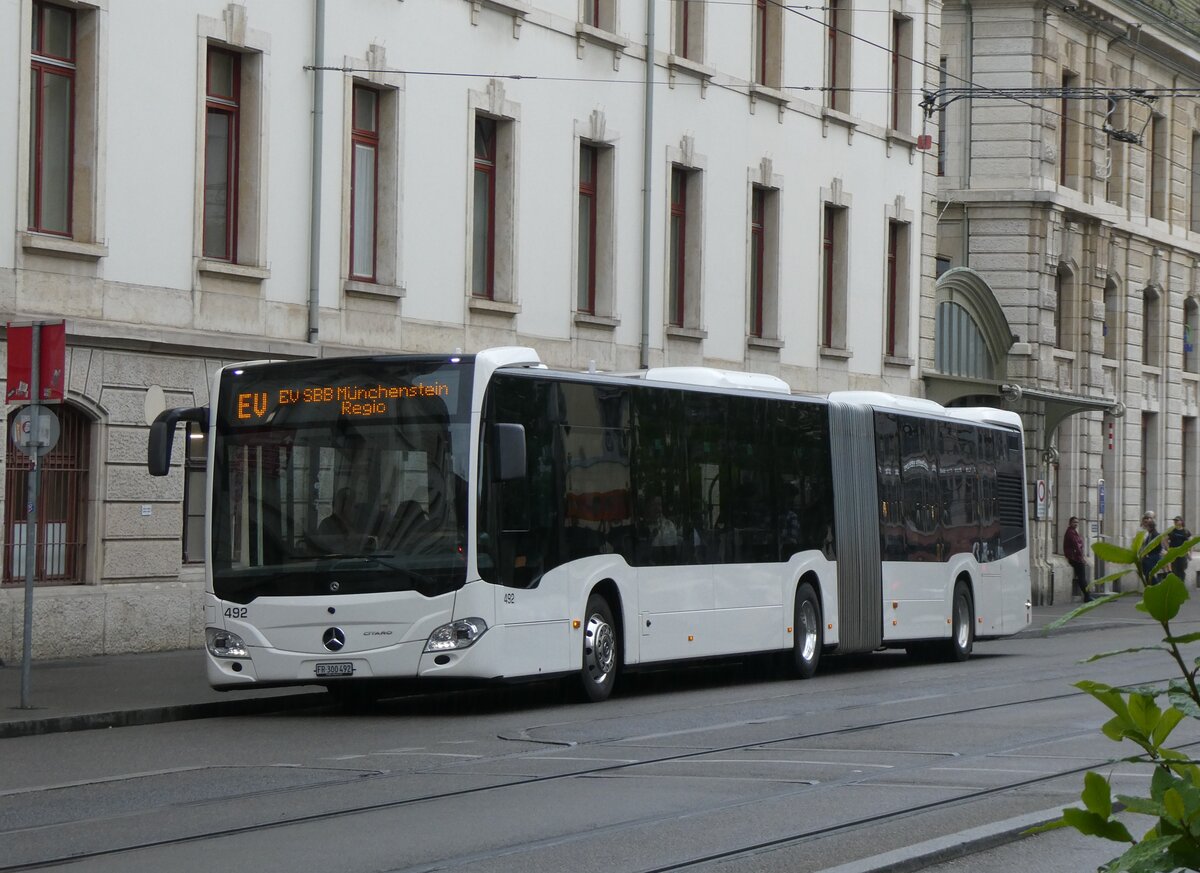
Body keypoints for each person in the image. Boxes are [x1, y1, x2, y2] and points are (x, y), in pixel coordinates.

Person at [1062, 516, 1092, 602]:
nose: (1076, 524)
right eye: (1074, 522)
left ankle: (1087, 595)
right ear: (1070, 523)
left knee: (1082, 577)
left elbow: (1079, 544)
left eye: (1077, 522)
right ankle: (1087, 596)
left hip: (1075, 556)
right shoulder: (1070, 533)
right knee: (1082, 577)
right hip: (1074, 557)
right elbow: (1076, 545)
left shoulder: (1074, 532)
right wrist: (1082, 558)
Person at [1168, 515, 1193, 582]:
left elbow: (1190, 543)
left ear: (1181, 522)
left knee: (1181, 570)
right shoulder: (1172, 531)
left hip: (1182, 554)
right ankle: (1175, 586)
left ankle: (1181, 584)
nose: (1175, 522)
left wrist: (1190, 554)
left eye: (1177, 520)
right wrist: (1168, 549)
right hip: (1173, 554)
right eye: (1174, 521)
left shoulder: (1186, 531)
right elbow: (1164, 539)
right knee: (1174, 570)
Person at [1141, 511, 1163, 584]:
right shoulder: (1150, 535)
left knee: (1149, 573)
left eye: (1148, 527)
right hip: (1148, 557)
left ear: (1151, 527)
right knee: (1147, 573)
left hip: (1153, 557)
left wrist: (1149, 555)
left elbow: (1158, 548)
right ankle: (1151, 586)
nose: (1146, 528)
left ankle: (1155, 586)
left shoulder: (1155, 535)